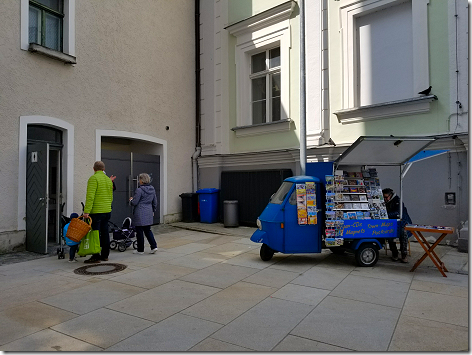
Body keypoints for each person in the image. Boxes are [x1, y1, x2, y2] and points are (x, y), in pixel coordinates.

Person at [82, 161, 114, 263]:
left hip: (96, 211)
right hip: (107, 210)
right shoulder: (108, 180)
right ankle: (105, 255)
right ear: (104, 169)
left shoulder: (93, 178)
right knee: (105, 233)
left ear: (94, 169)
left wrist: (86, 211)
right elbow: (111, 196)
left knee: (95, 233)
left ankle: (96, 255)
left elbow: (90, 196)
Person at [129, 173, 158, 254]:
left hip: (140, 211)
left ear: (141, 180)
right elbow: (155, 202)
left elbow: (135, 202)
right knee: (148, 230)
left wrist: (131, 200)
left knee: (139, 231)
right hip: (148, 211)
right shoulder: (152, 189)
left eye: (139, 179)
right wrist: (153, 210)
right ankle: (154, 246)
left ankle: (140, 250)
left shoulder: (139, 190)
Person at [382, 188, 412, 263]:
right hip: (393, 222)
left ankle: (403, 254)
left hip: (403, 222)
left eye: (386, 197)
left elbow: (398, 213)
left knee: (403, 233)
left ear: (391, 195)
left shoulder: (397, 201)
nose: (385, 199)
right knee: (389, 233)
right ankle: (394, 252)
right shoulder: (386, 202)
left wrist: (385, 215)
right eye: (384, 197)